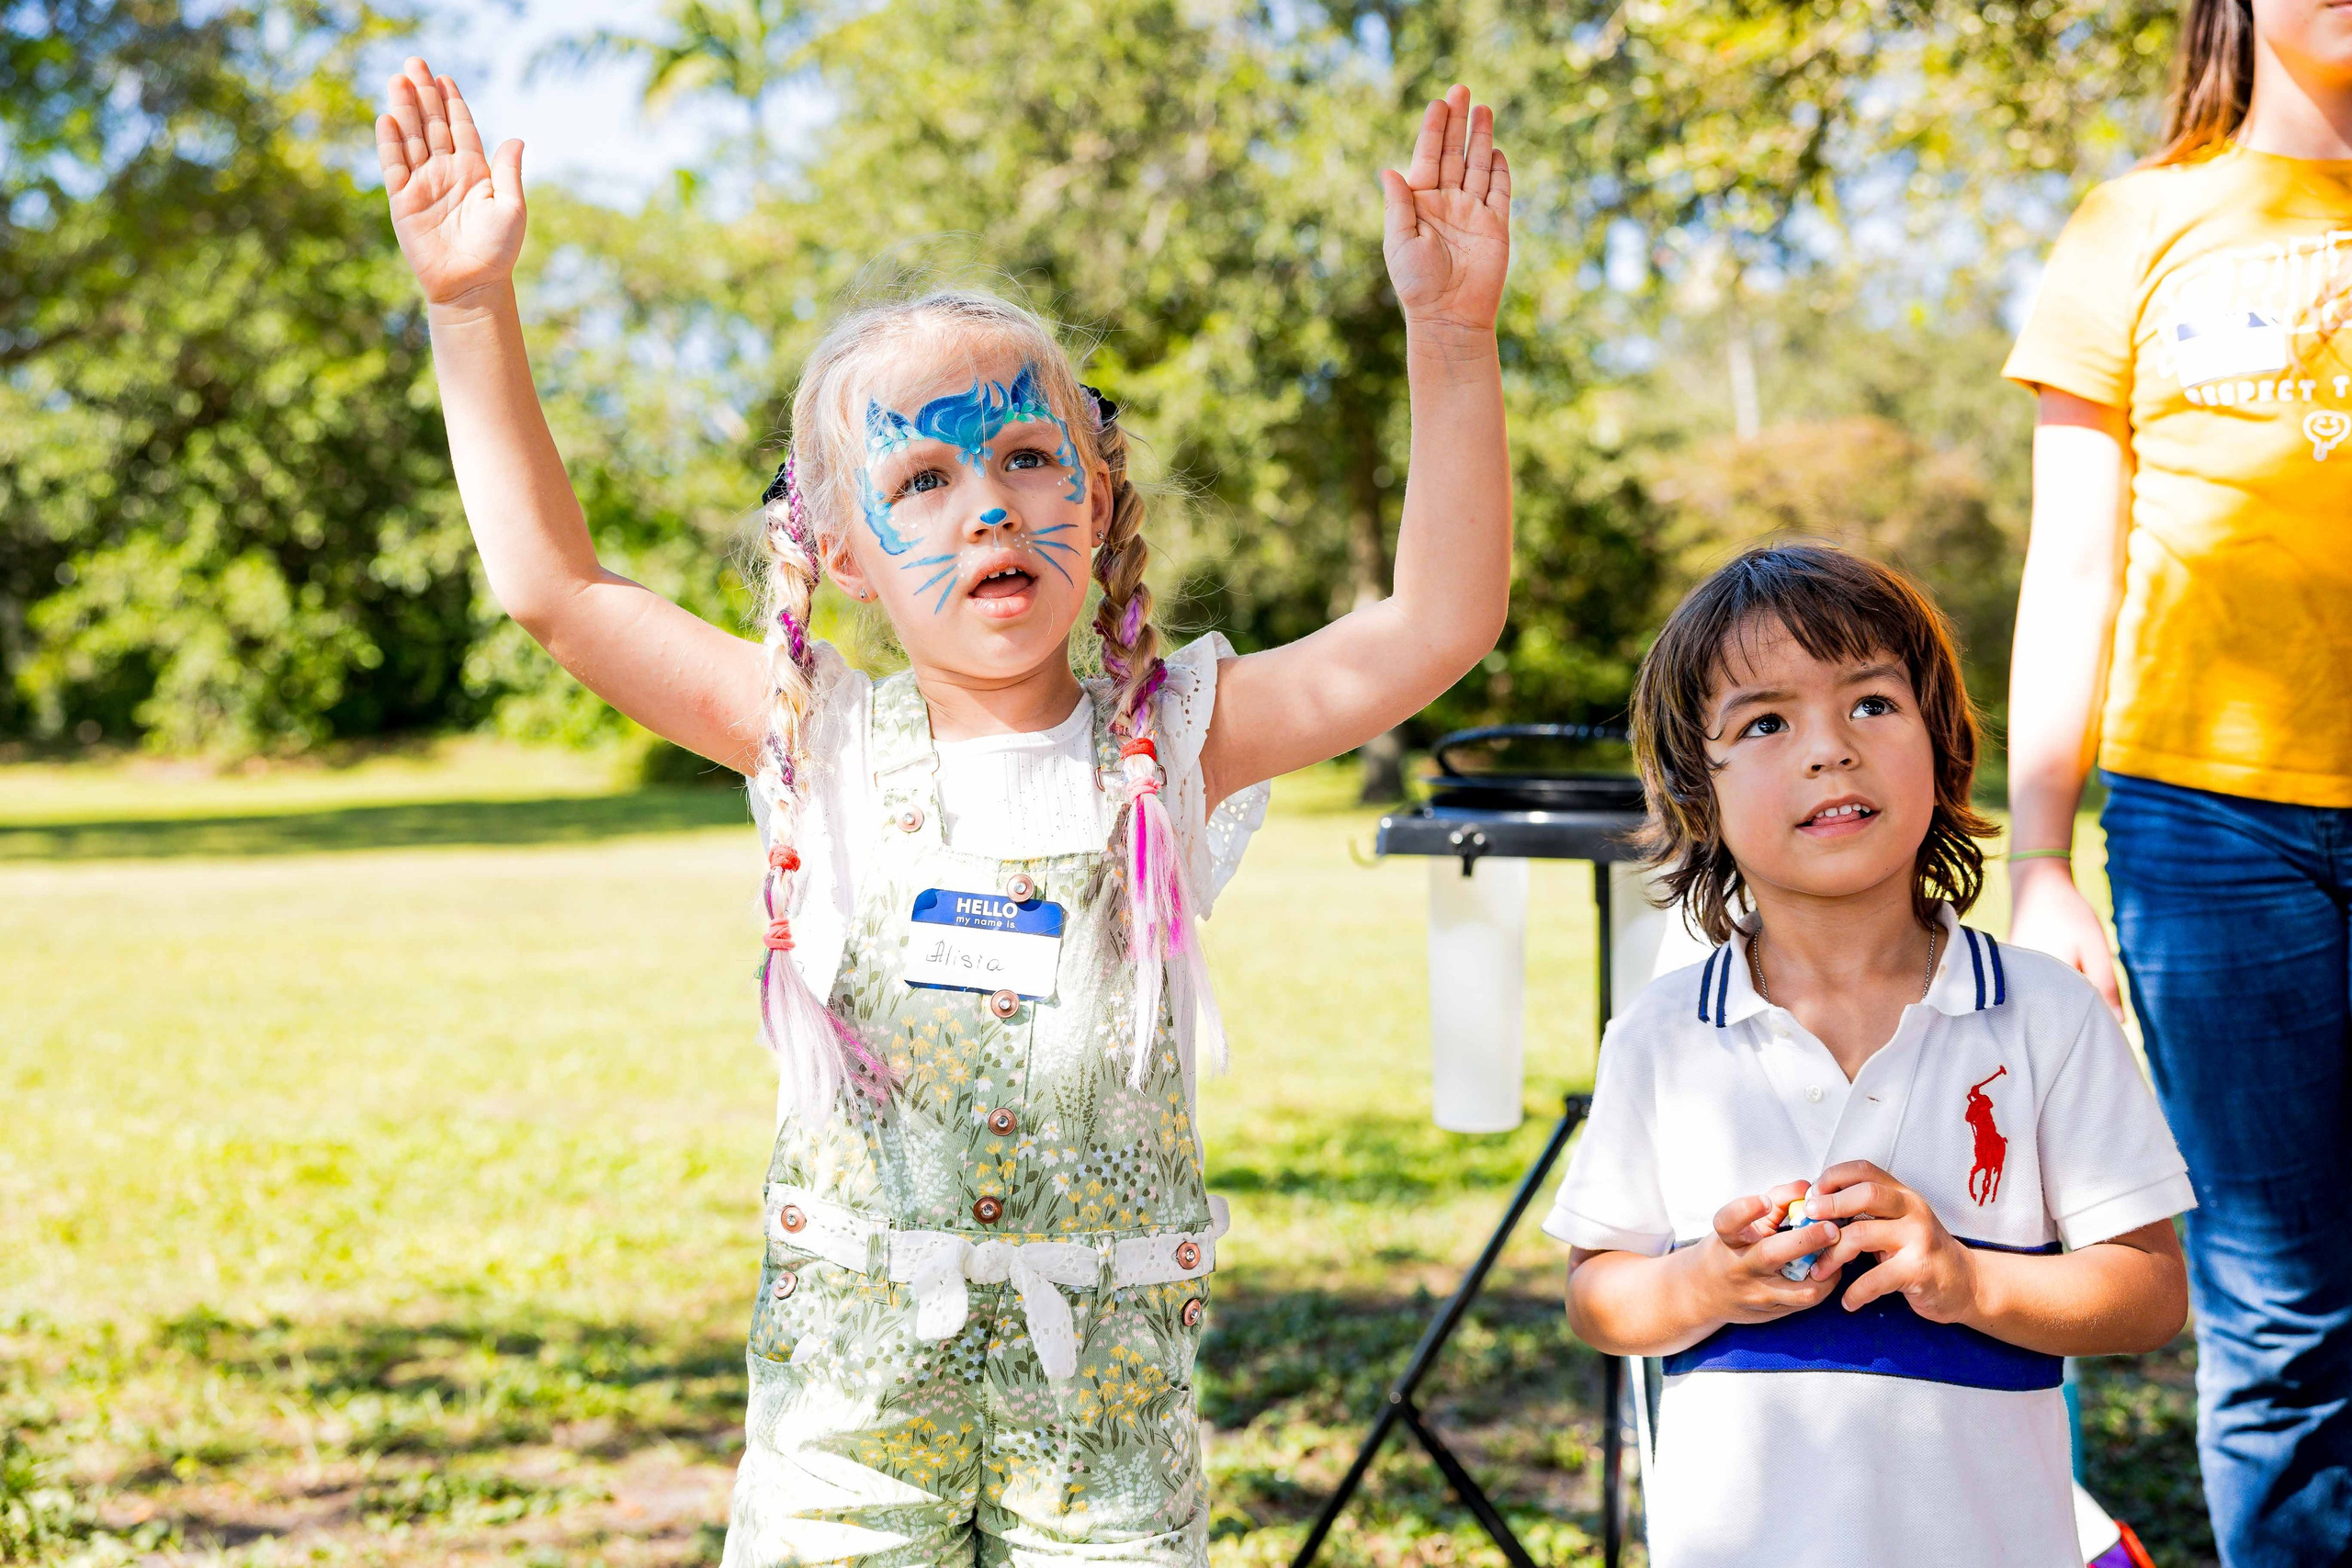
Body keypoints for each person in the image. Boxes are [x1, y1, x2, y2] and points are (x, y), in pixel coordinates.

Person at [373, 56, 1516, 1568]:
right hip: (848, 1410)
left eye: (1029, 456)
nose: (990, 504)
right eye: (921, 476)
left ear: (1095, 500)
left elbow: (1437, 621)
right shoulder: (811, 736)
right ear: (836, 549)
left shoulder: (1179, 733)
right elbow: (556, 588)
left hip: (1108, 1422)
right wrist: (469, 305)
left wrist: (1450, 333)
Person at [1548, 545, 2192, 1568]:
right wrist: (1709, 1284)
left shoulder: (2045, 1015)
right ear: (1695, 792)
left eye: (1871, 705)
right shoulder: (1663, 1035)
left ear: (1942, 741)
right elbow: (1598, 1295)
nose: (1828, 751)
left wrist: (1968, 1282)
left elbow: (2150, 1291)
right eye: (1765, 722)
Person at [2001, 1, 2352, 1560]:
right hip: (2214, 832)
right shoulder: (2134, 224)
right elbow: (2074, 563)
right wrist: (2038, 852)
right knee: (2279, 1315)